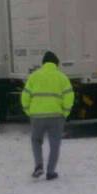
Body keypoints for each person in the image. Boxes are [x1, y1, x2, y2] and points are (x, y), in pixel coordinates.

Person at [20, 51, 74, 180]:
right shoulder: (62, 77)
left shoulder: (33, 76)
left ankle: (39, 165)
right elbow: (69, 96)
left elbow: (25, 96)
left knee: (36, 141)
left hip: (37, 116)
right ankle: (50, 172)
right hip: (56, 116)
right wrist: (65, 112)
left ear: (43, 63)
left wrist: (28, 111)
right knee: (55, 144)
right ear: (56, 63)